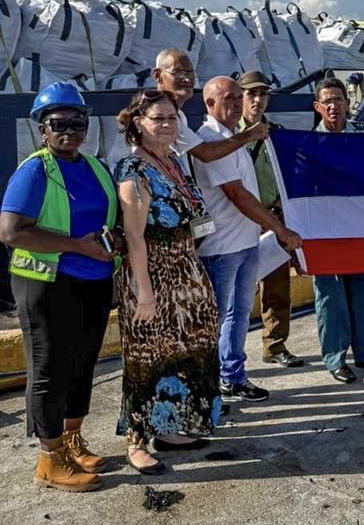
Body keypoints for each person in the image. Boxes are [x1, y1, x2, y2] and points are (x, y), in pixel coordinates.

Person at [0, 83, 116, 492]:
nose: (69, 130)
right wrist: (75, 245)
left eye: (77, 122)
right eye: (58, 124)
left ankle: (71, 441)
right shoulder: (35, 170)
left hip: (94, 280)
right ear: (42, 129)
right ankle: (49, 460)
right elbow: (11, 232)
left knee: (82, 364)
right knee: (49, 370)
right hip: (46, 284)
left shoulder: (95, 167)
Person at [114, 89, 222, 474]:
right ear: (137, 123)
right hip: (154, 275)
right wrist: (144, 292)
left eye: (171, 118)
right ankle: (137, 441)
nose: (166, 125)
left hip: (185, 270)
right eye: (157, 118)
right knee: (148, 356)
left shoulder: (174, 161)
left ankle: (171, 428)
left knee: (186, 349)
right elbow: (134, 236)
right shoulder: (134, 171)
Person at [191, 77, 302, 403]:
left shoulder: (233, 137)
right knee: (216, 320)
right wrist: (280, 230)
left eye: (239, 98)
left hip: (246, 242)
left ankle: (232, 376)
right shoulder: (210, 139)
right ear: (209, 104)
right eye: (229, 98)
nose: (237, 104)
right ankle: (210, 387)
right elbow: (238, 196)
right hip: (221, 247)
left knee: (239, 314)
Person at [312, 77, 364, 383]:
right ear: (318, 107)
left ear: (347, 104)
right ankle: (335, 358)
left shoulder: (362, 138)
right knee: (331, 297)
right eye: (328, 101)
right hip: (326, 231)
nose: (334, 106)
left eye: (339, 100)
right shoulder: (307, 144)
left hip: (360, 228)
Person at [237, 70, 304, 368]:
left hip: (273, 219)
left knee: (277, 289)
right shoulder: (229, 136)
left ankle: (275, 346)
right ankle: (230, 355)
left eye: (263, 94)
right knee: (236, 294)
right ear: (239, 97)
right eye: (251, 93)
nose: (258, 99)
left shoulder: (276, 133)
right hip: (239, 221)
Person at [152, 48, 267, 163]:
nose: (187, 79)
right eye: (178, 72)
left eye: (190, 73)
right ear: (158, 75)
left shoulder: (178, 114)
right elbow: (206, 153)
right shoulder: (158, 113)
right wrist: (249, 135)